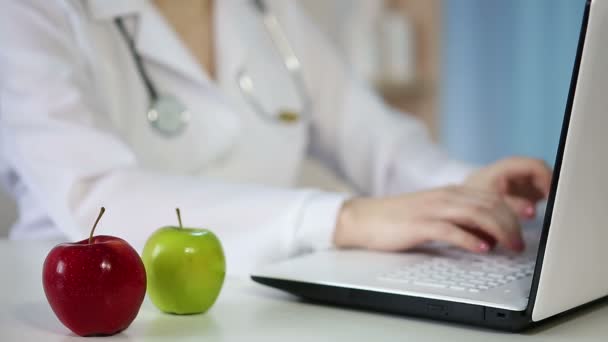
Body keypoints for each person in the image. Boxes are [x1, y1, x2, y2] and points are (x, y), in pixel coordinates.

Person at [0, 0, 551, 275]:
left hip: (256, 296)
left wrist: (462, 187)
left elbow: (372, 135)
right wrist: (346, 218)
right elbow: (96, 192)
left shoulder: (264, 9)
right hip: (89, 314)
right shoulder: (32, 13)